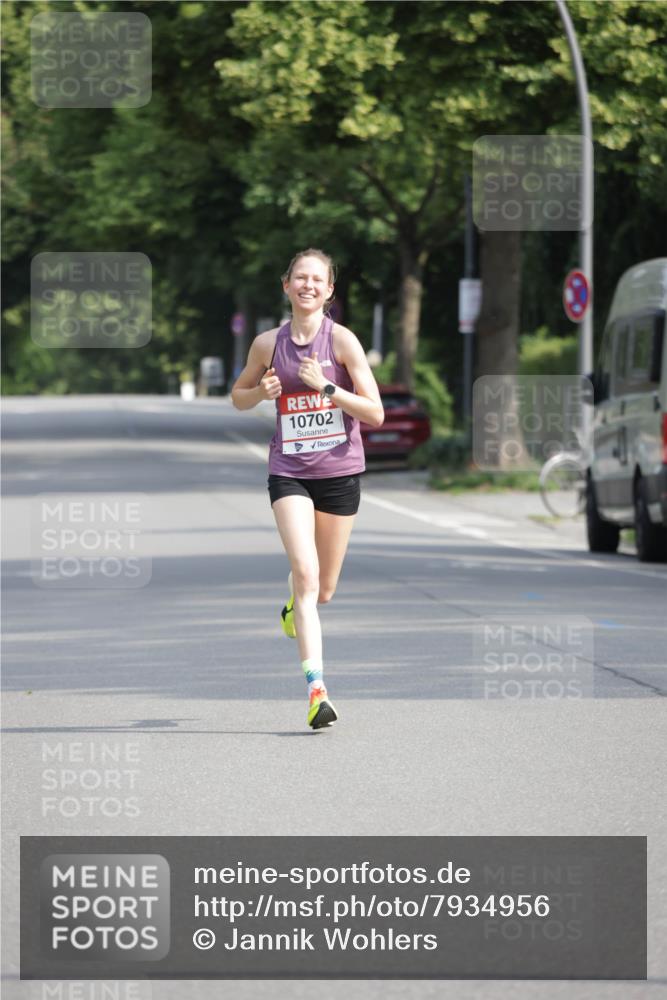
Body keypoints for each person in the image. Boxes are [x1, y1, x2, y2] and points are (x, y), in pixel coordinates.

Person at [231, 248, 384, 730]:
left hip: (339, 473)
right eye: (300, 277)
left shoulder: (342, 342)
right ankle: (318, 692)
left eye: (317, 279)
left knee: (324, 591)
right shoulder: (267, 344)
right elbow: (238, 397)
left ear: (329, 290)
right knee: (306, 572)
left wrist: (327, 388)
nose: (308, 285)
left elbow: (376, 413)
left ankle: (292, 605)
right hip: (289, 470)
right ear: (286, 285)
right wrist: (261, 393)